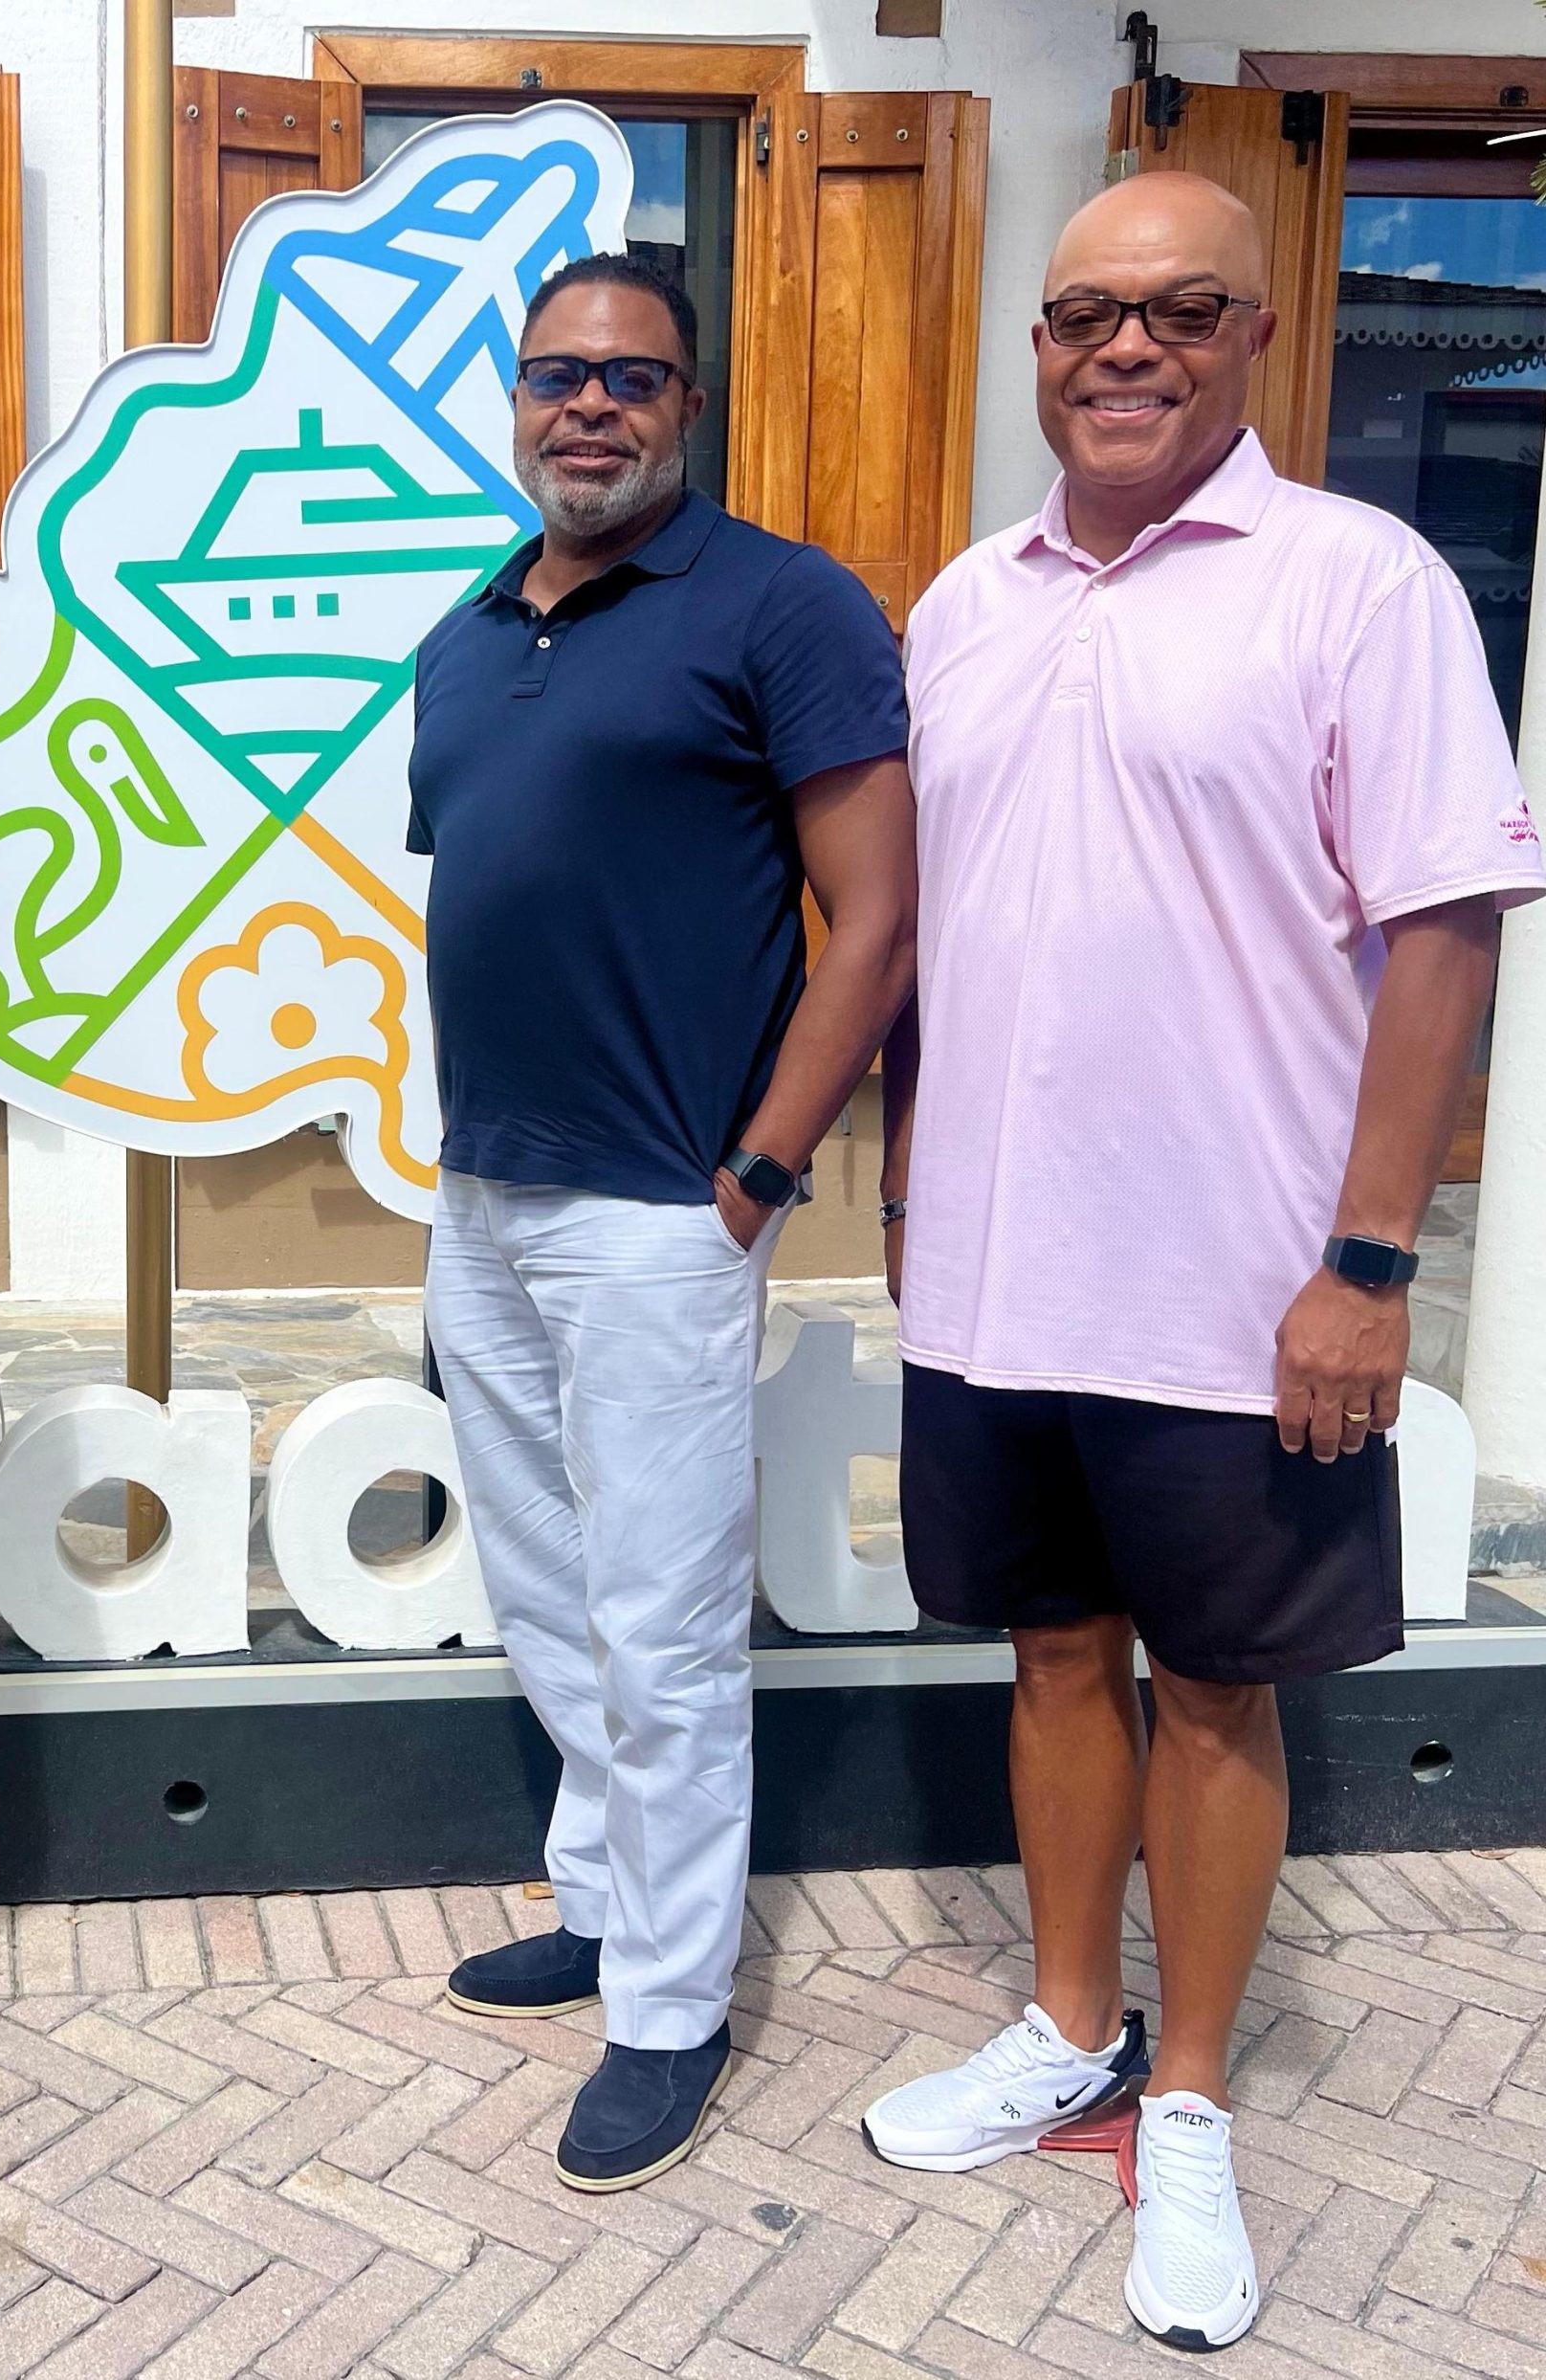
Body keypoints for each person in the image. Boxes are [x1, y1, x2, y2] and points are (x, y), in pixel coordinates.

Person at [865, 172, 1543, 2349]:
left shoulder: (1358, 584)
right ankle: (1070, 2026)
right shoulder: (962, 603)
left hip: (1241, 1284)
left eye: (1177, 310)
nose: (1125, 348)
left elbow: (1442, 933)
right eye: (1086, 314)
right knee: (1052, 1652)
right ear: (1039, 349)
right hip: (999, 1272)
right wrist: (910, 1171)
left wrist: (1370, 1260)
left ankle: (1186, 2100)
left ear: (1256, 334)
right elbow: (935, 928)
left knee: (1218, 1686)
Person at [411, 253, 917, 2191]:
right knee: (546, 1591)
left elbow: (874, 918)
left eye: (631, 377)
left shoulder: (781, 604)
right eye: (558, 375)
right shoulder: (470, 629)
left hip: (660, 1208)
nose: (590, 406)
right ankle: (606, 1902)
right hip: (485, 1192)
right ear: (517, 401)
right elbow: (505, 888)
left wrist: (760, 1173)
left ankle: (671, 2005)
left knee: (663, 1621)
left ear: (687, 403)